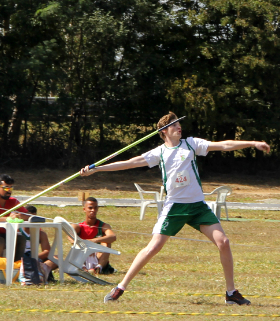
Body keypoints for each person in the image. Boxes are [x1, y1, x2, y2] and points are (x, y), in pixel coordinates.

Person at [80, 112, 270, 305]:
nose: (179, 127)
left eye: (179, 124)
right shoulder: (159, 153)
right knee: (153, 247)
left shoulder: (191, 144)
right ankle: (120, 287)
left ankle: (231, 293)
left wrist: (252, 143)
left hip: (197, 206)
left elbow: (224, 145)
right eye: (174, 125)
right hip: (174, 208)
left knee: (224, 242)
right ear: (164, 131)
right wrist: (97, 169)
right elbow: (130, 163)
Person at [71, 197, 117, 274]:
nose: (93, 210)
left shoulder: (103, 225)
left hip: (98, 255)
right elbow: (70, 237)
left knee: (106, 243)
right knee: (76, 243)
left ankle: (98, 268)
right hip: (83, 254)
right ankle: (83, 267)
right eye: (90, 208)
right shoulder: (78, 226)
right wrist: (86, 247)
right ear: (84, 209)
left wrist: (94, 241)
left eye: (95, 208)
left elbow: (112, 237)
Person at [17, 205, 58, 282]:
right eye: (28, 217)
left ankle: (38, 270)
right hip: (20, 258)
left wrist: (34, 258)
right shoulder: (17, 230)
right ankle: (40, 271)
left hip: (35, 257)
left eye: (34, 218)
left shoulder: (40, 233)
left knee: (56, 258)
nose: (31, 221)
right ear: (21, 215)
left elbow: (47, 251)